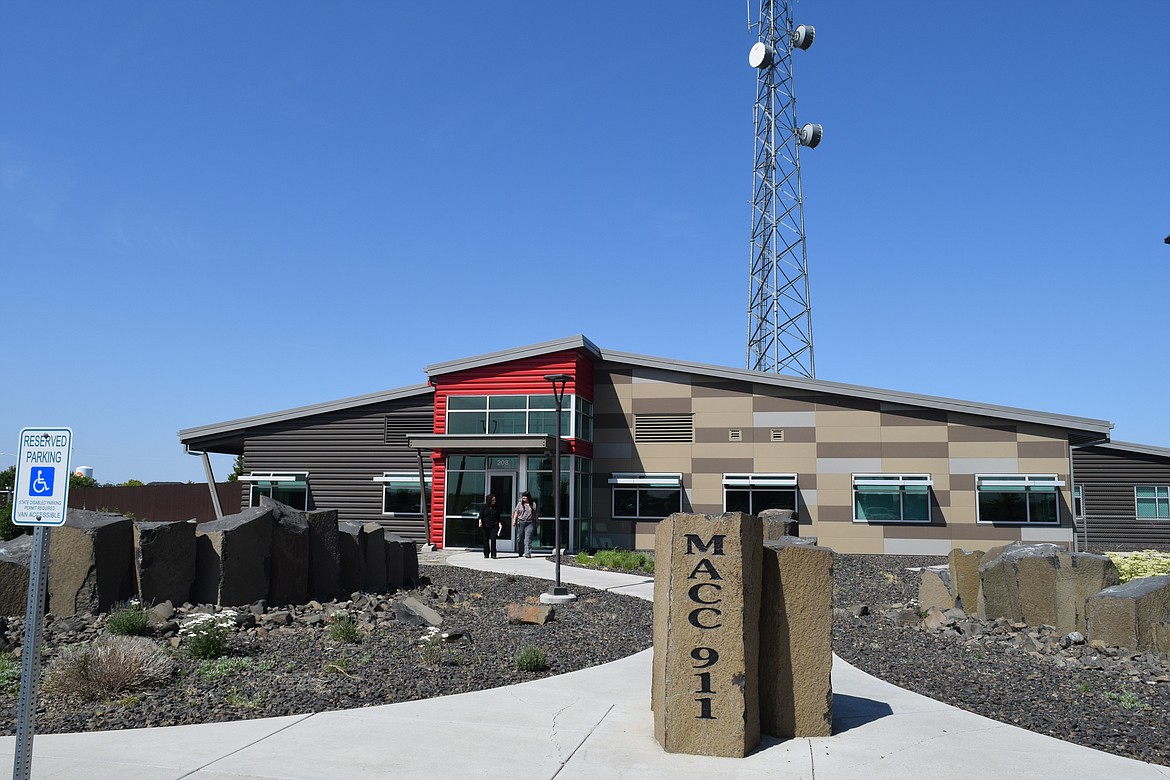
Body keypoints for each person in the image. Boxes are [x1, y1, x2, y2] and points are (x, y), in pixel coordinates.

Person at [512, 491, 538, 558]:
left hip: (530, 522)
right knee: (519, 538)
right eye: (523, 496)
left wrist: (537, 522)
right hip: (521, 522)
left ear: (528, 497)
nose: (523, 498)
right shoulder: (520, 504)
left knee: (528, 538)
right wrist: (514, 520)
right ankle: (520, 551)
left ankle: (528, 553)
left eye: (525, 496)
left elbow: (535, 514)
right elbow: (516, 512)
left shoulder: (533, 504)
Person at [478, 493, 502, 559]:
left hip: (494, 525)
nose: (494, 501)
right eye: (493, 500)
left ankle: (493, 554)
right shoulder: (484, 507)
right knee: (485, 539)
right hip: (485, 525)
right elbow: (481, 515)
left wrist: (500, 523)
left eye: (495, 500)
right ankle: (486, 553)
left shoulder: (496, 507)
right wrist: (480, 522)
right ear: (489, 500)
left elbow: (498, 516)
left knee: (493, 539)